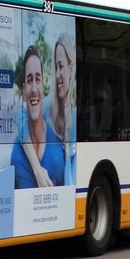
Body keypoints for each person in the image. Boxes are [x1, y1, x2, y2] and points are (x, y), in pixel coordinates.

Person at [11, 46, 64, 189]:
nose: (34, 89)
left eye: (38, 79)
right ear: (23, 91)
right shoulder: (16, 157)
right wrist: (37, 169)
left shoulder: (58, 150)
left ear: (43, 86)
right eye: (29, 80)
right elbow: (19, 116)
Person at [50, 35, 78, 187]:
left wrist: (67, 147)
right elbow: (21, 115)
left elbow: (70, 186)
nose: (57, 75)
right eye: (55, 67)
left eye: (61, 66)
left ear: (71, 66)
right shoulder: (50, 107)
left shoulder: (76, 115)